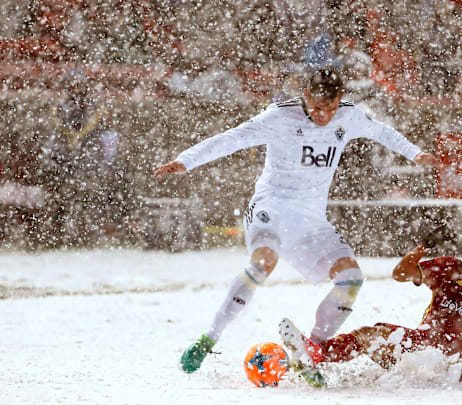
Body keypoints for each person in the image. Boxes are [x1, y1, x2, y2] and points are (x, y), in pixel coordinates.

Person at [153, 67, 441, 373]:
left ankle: (312, 350)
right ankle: (208, 339)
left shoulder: (349, 115)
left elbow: (381, 131)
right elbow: (233, 138)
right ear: (305, 96)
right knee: (263, 263)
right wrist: (187, 160)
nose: (323, 116)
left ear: (340, 100)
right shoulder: (279, 116)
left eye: (329, 109)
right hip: (271, 208)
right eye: (316, 108)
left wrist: (414, 153)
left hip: (311, 221)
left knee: (351, 278)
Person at [280, 224, 462, 387]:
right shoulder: (450, 268)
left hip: (451, 367)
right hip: (417, 350)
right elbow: (399, 275)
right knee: (374, 332)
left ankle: (430, 385)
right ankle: (315, 357)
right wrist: (414, 256)